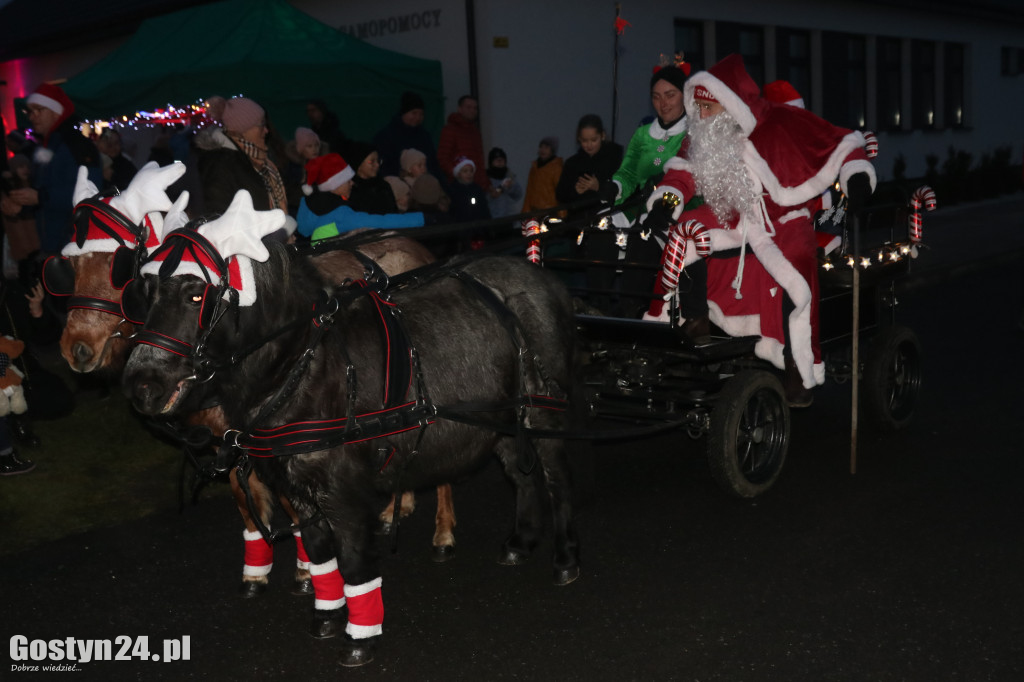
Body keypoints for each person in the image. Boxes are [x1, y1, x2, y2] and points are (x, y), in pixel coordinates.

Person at [642, 54, 875, 407]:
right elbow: (682, 173)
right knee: (686, 231)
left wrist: (856, 177)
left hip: (783, 218)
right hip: (732, 216)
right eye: (698, 108)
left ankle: (797, 364)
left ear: (730, 104)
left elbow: (840, 142)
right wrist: (667, 200)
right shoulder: (703, 135)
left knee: (794, 265)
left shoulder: (782, 121)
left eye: (708, 108)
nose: (701, 117)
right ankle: (696, 317)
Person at [595, 62, 691, 316]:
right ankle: (601, 308)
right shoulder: (643, 135)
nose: (663, 103)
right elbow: (627, 173)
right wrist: (613, 187)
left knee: (643, 240)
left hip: (676, 207)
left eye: (670, 95)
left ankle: (636, 311)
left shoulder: (693, 132)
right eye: (656, 97)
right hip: (639, 205)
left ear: (684, 95)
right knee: (599, 233)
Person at [7, 83, 102, 256]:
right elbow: (44, 191)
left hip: (74, 246)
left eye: (38, 110)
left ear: (56, 112)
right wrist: (23, 203)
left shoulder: (78, 145)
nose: (32, 117)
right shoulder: (46, 148)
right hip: (51, 246)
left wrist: (40, 196)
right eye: (29, 111)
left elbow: (91, 192)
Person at [296, 152, 426, 244]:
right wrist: (421, 219)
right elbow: (380, 222)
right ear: (336, 184)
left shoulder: (309, 205)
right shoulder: (339, 214)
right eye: (348, 181)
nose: (352, 183)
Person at [195, 97, 288, 216]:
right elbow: (218, 212)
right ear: (243, 129)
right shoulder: (220, 163)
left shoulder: (255, 157)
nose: (266, 130)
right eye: (261, 125)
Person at [556, 114, 623, 211]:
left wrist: (598, 187)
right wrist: (575, 191)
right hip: (579, 219)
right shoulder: (572, 163)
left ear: (602, 136)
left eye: (594, 140)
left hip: (606, 217)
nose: (589, 145)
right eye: (584, 141)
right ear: (579, 139)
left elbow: (624, 191)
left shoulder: (614, 158)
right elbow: (560, 195)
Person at [373, 91, 443, 181]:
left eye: (421, 114)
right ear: (404, 113)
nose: (418, 117)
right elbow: (383, 165)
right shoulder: (386, 136)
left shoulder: (424, 137)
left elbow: (433, 164)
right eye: (414, 113)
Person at [437, 95, 488, 190]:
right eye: (468, 107)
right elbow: (442, 158)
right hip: (459, 186)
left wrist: (484, 183)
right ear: (460, 109)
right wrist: (457, 174)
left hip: (476, 185)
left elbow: (480, 160)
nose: (472, 111)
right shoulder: (450, 130)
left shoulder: (475, 132)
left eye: (475, 108)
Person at [344, 141, 398, 215]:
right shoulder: (349, 188)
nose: (377, 165)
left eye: (378, 161)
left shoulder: (383, 186)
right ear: (358, 164)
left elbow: (394, 213)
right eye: (371, 162)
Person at [521, 136, 563, 213]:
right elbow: (529, 190)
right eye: (541, 147)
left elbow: (561, 193)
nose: (543, 150)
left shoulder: (556, 168)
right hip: (535, 211)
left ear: (552, 150)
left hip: (551, 212)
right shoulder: (535, 168)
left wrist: (562, 214)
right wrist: (525, 211)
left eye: (546, 147)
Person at [400, 148, 449, 213]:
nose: (423, 168)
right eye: (419, 165)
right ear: (409, 169)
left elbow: (442, 196)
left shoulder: (430, 181)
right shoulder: (403, 186)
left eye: (424, 165)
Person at [484, 147, 523, 218]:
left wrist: (511, 187)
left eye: (501, 160)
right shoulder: (485, 179)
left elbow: (518, 195)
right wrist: (491, 195)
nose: (499, 162)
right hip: (492, 219)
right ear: (491, 162)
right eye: (496, 160)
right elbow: (482, 200)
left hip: (509, 218)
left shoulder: (510, 176)